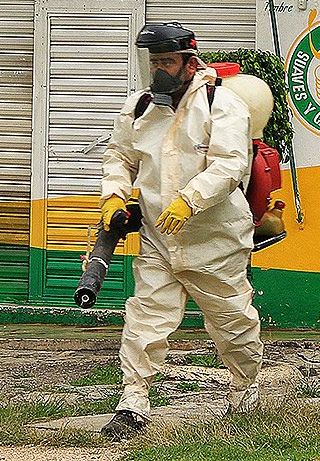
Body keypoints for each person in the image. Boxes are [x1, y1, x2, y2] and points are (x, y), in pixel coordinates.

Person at [98, 22, 263, 440]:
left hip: (216, 239)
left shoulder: (222, 104)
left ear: (190, 63)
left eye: (167, 62)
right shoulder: (139, 108)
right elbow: (120, 154)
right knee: (145, 318)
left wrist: (190, 199)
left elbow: (230, 165)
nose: (159, 72)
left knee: (233, 322)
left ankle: (244, 391)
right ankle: (132, 402)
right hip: (159, 237)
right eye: (153, 62)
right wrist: (114, 196)